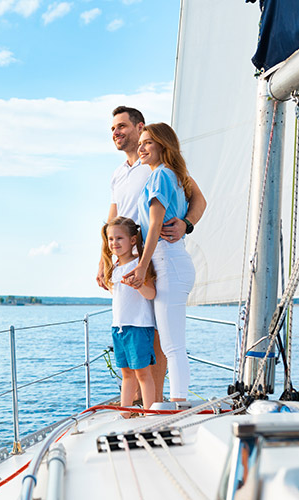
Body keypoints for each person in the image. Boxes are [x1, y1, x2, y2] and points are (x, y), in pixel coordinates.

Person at [98, 106, 206, 401]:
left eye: (121, 126)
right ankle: (139, 403)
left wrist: (186, 224)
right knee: (134, 327)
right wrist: (104, 260)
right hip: (127, 260)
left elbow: (198, 199)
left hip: (154, 258)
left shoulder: (160, 169)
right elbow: (112, 220)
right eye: (112, 128)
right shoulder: (119, 175)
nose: (116, 132)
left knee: (158, 334)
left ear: (139, 127)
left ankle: (156, 402)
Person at [123, 122, 197, 402]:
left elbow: (154, 225)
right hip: (171, 262)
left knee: (172, 346)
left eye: (148, 143)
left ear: (163, 145)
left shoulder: (161, 175)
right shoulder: (173, 176)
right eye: (140, 143)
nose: (141, 148)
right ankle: (175, 401)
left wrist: (141, 266)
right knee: (170, 343)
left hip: (168, 262)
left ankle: (178, 403)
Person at [101, 216, 158, 413]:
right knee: (126, 374)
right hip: (119, 328)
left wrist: (138, 285)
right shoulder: (115, 268)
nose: (114, 243)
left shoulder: (139, 265)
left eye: (119, 238)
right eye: (110, 239)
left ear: (132, 240)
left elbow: (151, 294)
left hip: (138, 327)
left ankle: (149, 414)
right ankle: (125, 413)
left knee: (143, 374)